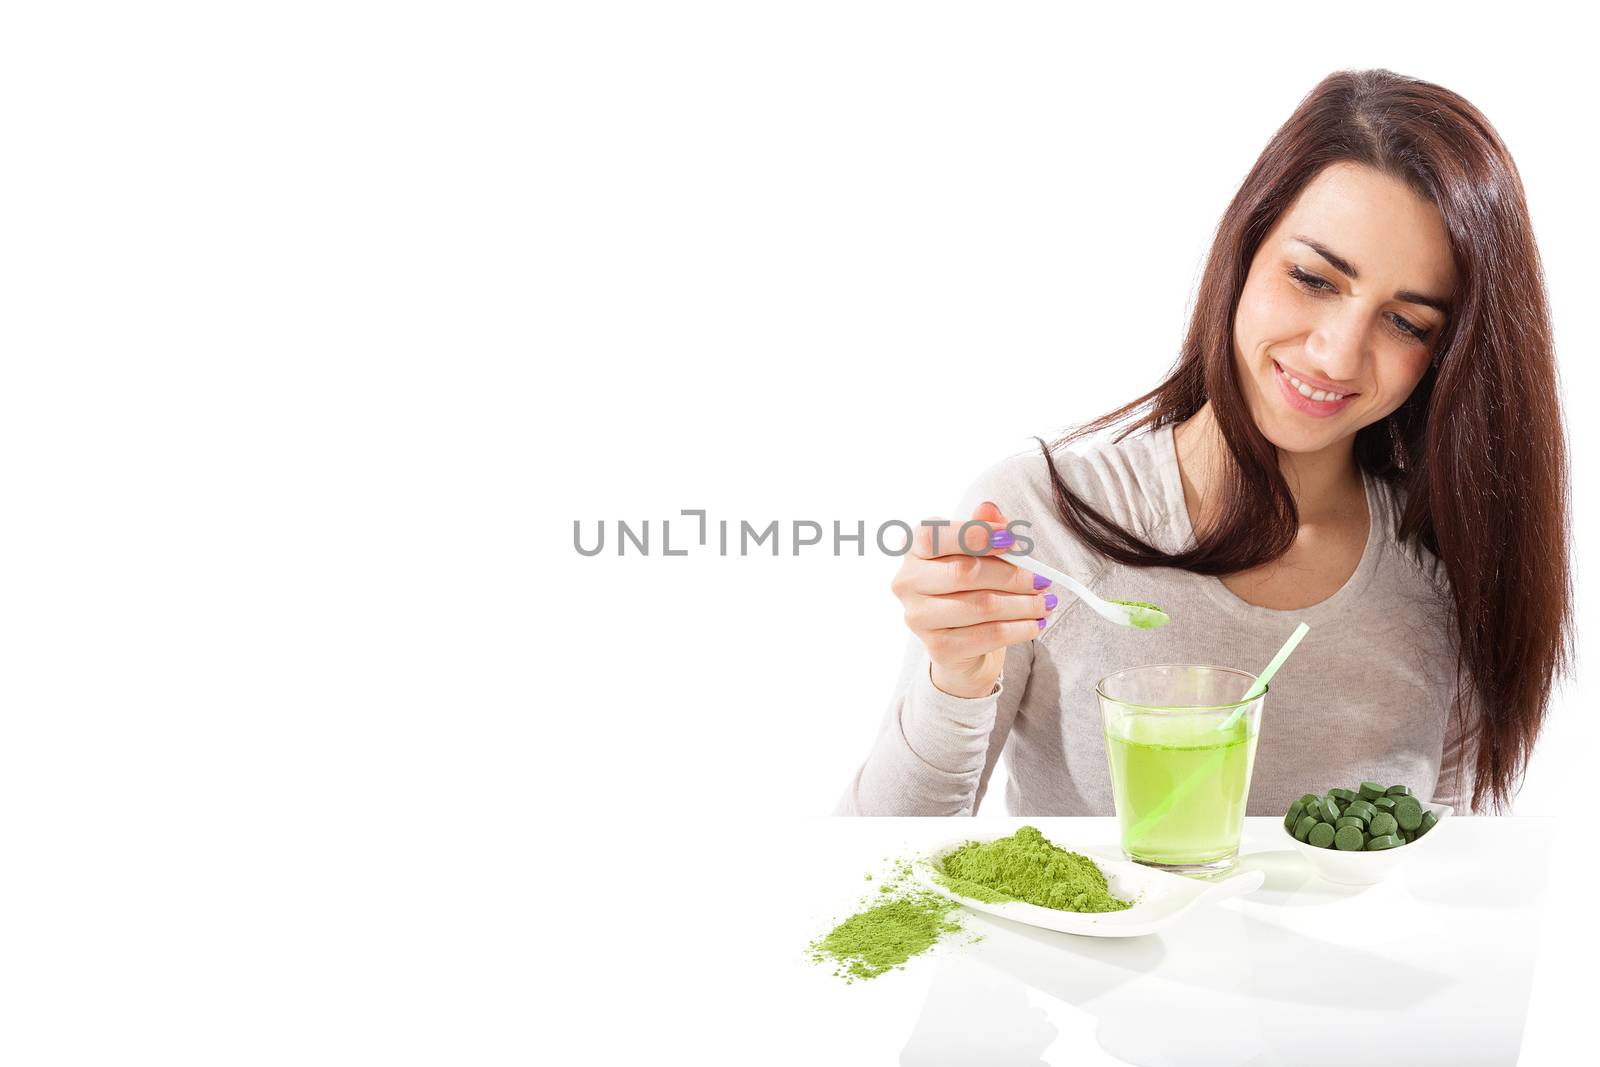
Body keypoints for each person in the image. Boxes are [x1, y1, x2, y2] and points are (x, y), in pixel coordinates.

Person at [834, 69, 1572, 818]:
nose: (1337, 356)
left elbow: (1438, 880)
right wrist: (955, 679)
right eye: (1314, 278)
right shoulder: (1043, 520)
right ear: (1243, 250)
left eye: (1407, 322)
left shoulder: (1442, 566)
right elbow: (868, 866)